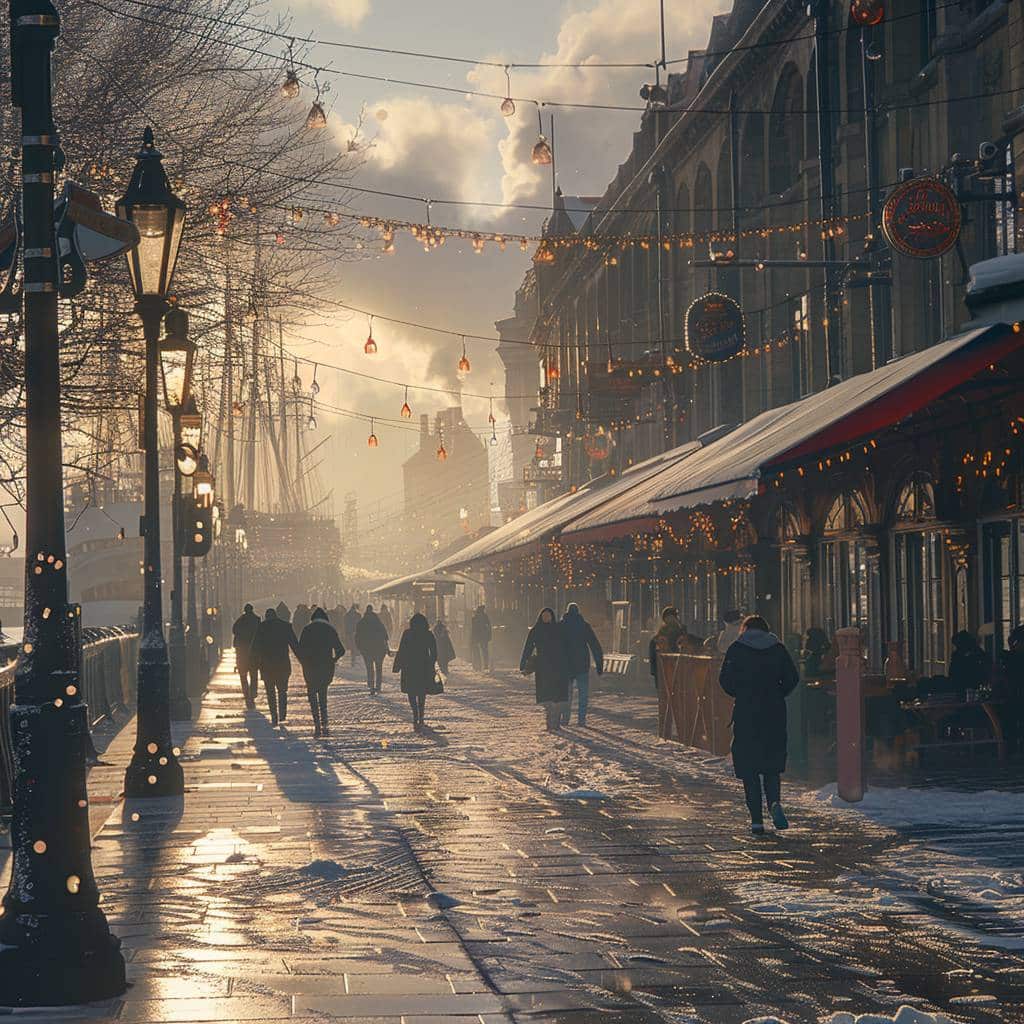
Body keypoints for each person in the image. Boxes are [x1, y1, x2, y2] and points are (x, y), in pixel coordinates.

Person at [719, 614, 799, 835]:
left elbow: (724, 679)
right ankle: (774, 802)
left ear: (745, 629)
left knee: (749, 767)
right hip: (773, 712)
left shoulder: (737, 649)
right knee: (771, 764)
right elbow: (792, 677)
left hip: (746, 712)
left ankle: (756, 820)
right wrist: (777, 693)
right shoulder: (778, 648)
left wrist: (741, 692)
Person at [520, 608, 570, 732]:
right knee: (546, 696)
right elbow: (528, 647)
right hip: (543, 667)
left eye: (548, 616)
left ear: (552, 617)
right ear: (540, 617)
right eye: (544, 616)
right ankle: (549, 722)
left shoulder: (559, 630)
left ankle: (556, 723)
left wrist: (569, 663)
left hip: (558, 666)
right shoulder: (536, 631)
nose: (546, 618)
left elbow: (566, 647)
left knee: (557, 696)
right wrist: (523, 662)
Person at [298, 607, 344, 738]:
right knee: (323, 696)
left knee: (312, 695)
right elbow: (341, 650)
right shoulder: (330, 629)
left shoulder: (307, 629)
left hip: (310, 667)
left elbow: (300, 649)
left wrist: (304, 662)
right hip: (325, 667)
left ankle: (316, 723)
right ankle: (325, 723)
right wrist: (333, 659)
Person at [250, 607, 300, 726]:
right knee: (282, 690)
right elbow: (295, 645)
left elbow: (254, 648)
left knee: (270, 692)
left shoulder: (261, 627)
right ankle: (282, 714)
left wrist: (254, 664)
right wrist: (304, 660)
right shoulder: (285, 626)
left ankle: (274, 715)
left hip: (267, 665)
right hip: (282, 664)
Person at [560, 603, 603, 726]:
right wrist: (599, 665)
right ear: (578, 612)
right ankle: (581, 720)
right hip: (582, 664)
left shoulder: (562, 625)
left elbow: (555, 646)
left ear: (567, 612)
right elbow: (595, 646)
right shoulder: (584, 626)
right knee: (583, 694)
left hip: (566, 665)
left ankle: (565, 719)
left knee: (566, 694)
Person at [393, 612, 437, 730]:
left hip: (409, 666)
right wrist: (431, 664)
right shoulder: (428, 634)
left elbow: (401, 650)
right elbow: (434, 651)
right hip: (423, 666)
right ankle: (421, 716)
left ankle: (415, 715)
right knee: (422, 693)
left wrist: (397, 665)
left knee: (411, 692)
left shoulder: (407, 633)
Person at [998, 624, 1024, 759]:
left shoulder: (1014, 659)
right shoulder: (1014, 658)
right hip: (1015, 697)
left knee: (1009, 718)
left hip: (1016, 697)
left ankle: (1011, 748)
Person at [355, 604, 390, 695]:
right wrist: (386, 647)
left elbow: (357, 637)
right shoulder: (378, 621)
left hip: (367, 650)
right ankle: (378, 687)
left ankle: (371, 686)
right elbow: (385, 635)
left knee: (369, 668)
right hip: (379, 649)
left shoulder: (361, 622)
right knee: (379, 668)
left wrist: (359, 648)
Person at [231, 603, 261, 708]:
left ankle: (246, 692)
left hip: (242, 652)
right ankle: (253, 691)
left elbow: (234, 630)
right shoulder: (257, 620)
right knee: (254, 674)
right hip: (253, 651)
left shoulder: (240, 620)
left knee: (243, 674)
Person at [649, 606, 683, 690]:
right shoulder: (661, 634)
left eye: (674, 617)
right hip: (663, 667)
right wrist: (654, 669)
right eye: (670, 617)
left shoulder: (681, 631)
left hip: (678, 666)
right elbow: (653, 651)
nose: (672, 619)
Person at [948, 630, 989, 699]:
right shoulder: (957, 654)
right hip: (962, 684)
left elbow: (985, 662)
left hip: (974, 683)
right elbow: (953, 672)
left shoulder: (975, 651)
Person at [470, 605, 492, 671]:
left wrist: (472, 638)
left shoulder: (474, 617)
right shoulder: (485, 617)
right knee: (485, 651)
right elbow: (489, 627)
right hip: (484, 637)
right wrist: (489, 636)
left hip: (477, 637)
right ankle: (485, 665)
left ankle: (477, 665)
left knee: (476, 651)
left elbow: (473, 629)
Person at [344, 603, 362, 668]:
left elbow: (345, 625)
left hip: (350, 633)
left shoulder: (347, 615)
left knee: (352, 647)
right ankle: (354, 660)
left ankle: (353, 659)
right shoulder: (358, 615)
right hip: (355, 633)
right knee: (355, 646)